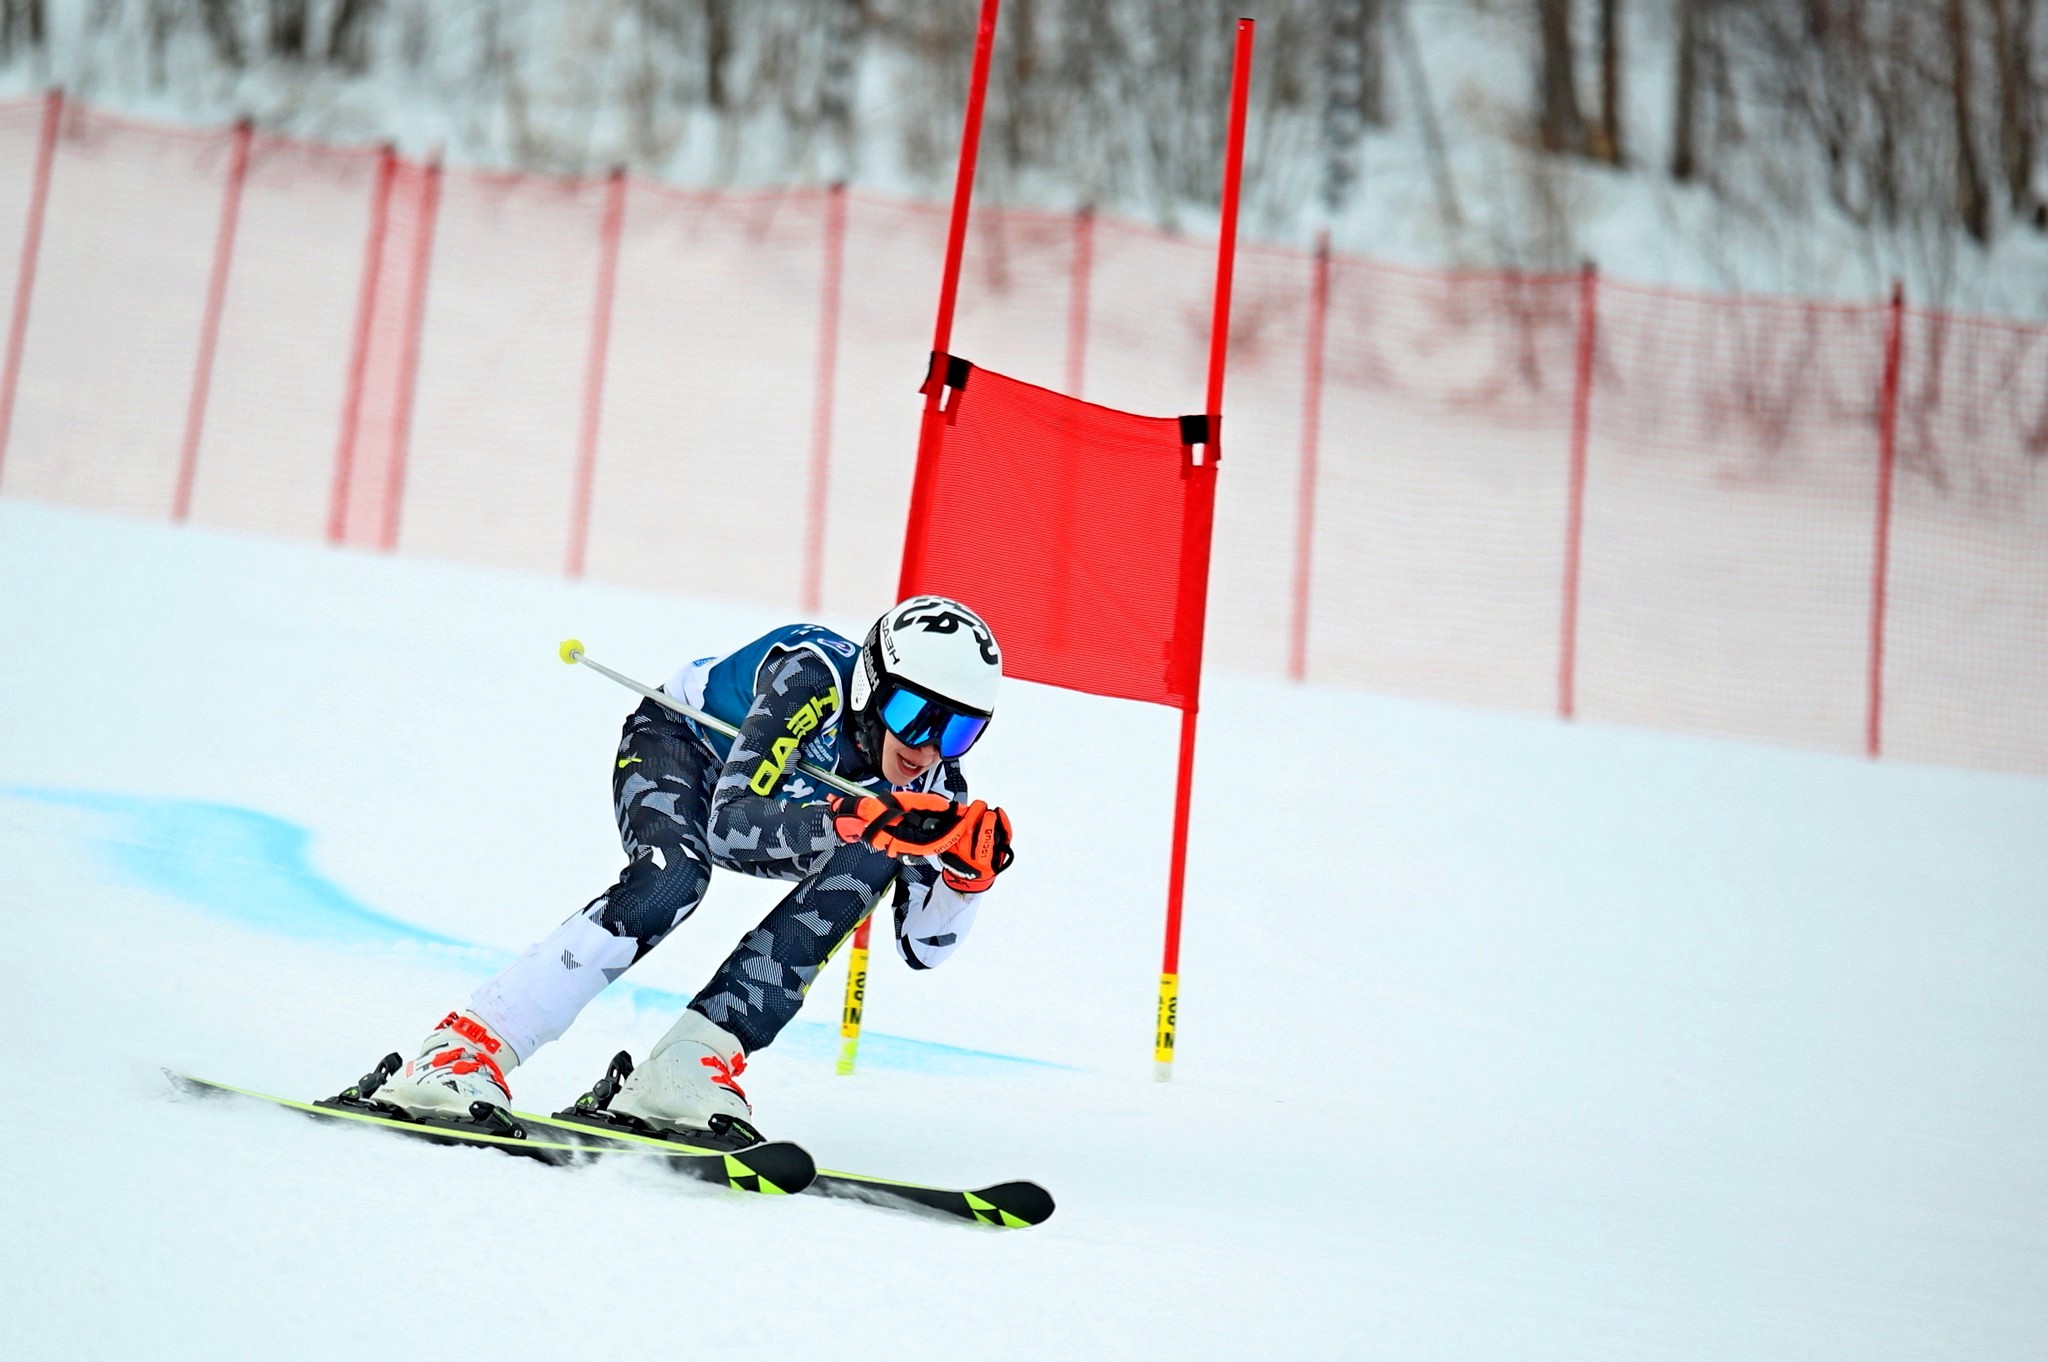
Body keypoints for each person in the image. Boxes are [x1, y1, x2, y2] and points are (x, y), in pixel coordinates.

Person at [371, 595, 1015, 1133]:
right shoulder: (809, 673)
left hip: (783, 804)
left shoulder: (938, 784)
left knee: (874, 856)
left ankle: (687, 1063)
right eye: (913, 713)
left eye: (959, 729)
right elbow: (729, 828)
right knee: (673, 875)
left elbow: (925, 950)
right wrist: (846, 819)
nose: (927, 744)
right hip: (683, 745)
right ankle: (460, 1050)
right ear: (873, 685)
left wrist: (966, 880)